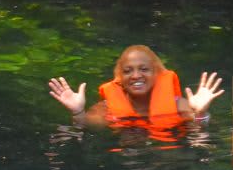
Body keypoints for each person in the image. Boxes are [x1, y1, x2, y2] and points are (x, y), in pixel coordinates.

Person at [49, 45, 223, 131]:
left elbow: (201, 132)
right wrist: (78, 112)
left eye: (144, 69)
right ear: (120, 78)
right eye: (128, 71)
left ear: (157, 75)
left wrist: (201, 113)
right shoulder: (107, 106)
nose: (136, 75)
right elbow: (85, 126)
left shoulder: (178, 105)